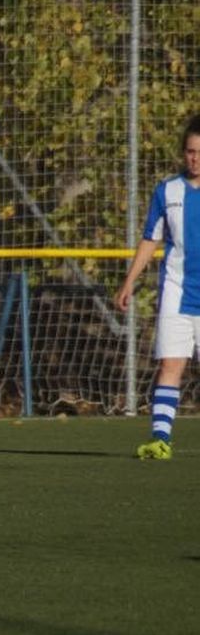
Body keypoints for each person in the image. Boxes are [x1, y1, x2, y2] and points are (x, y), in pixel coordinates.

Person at [116, 113, 200, 460]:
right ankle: (160, 440)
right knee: (170, 365)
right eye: (190, 151)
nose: (194, 158)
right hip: (177, 292)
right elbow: (151, 239)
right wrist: (129, 281)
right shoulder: (168, 191)